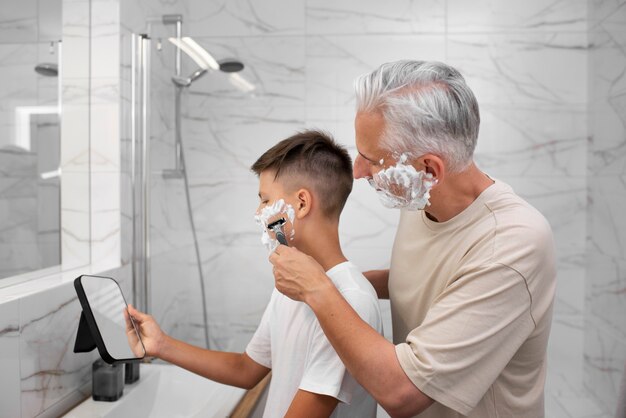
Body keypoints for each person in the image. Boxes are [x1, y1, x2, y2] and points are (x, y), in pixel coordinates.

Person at [269, 61, 557, 417]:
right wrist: (348, 284)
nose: (357, 171)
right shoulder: (420, 197)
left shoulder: (513, 244)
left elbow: (402, 392)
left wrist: (317, 289)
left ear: (429, 170)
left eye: (371, 160)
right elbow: (436, 279)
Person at [126, 130, 383, 418]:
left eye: (265, 200)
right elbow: (246, 369)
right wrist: (161, 345)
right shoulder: (292, 286)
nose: (258, 213)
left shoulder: (351, 300)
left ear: (301, 203)